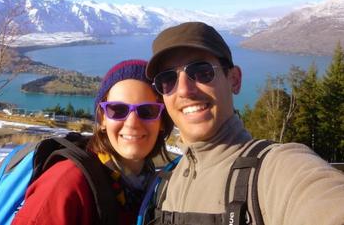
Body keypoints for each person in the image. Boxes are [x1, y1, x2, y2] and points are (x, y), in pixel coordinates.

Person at [139, 22, 344, 225]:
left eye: (202, 72)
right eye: (167, 79)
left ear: (234, 80)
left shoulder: (276, 170)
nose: (183, 89)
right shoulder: (164, 187)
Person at [12, 59, 174, 225]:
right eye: (118, 110)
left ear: (162, 121)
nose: (132, 123)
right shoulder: (67, 182)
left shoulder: (151, 185)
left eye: (147, 111)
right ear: (102, 119)